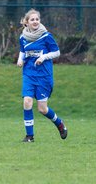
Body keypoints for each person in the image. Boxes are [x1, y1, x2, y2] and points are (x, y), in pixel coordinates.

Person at [16, 9, 67, 142]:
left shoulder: (46, 36)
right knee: (27, 101)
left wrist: (44, 57)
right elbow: (22, 51)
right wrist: (20, 60)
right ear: (27, 22)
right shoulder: (23, 37)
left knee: (42, 109)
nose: (35, 21)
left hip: (44, 76)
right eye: (32, 19)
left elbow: (57, 52)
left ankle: (59, 123)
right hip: (29, 74)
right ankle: (29, 136)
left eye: (37, 19)